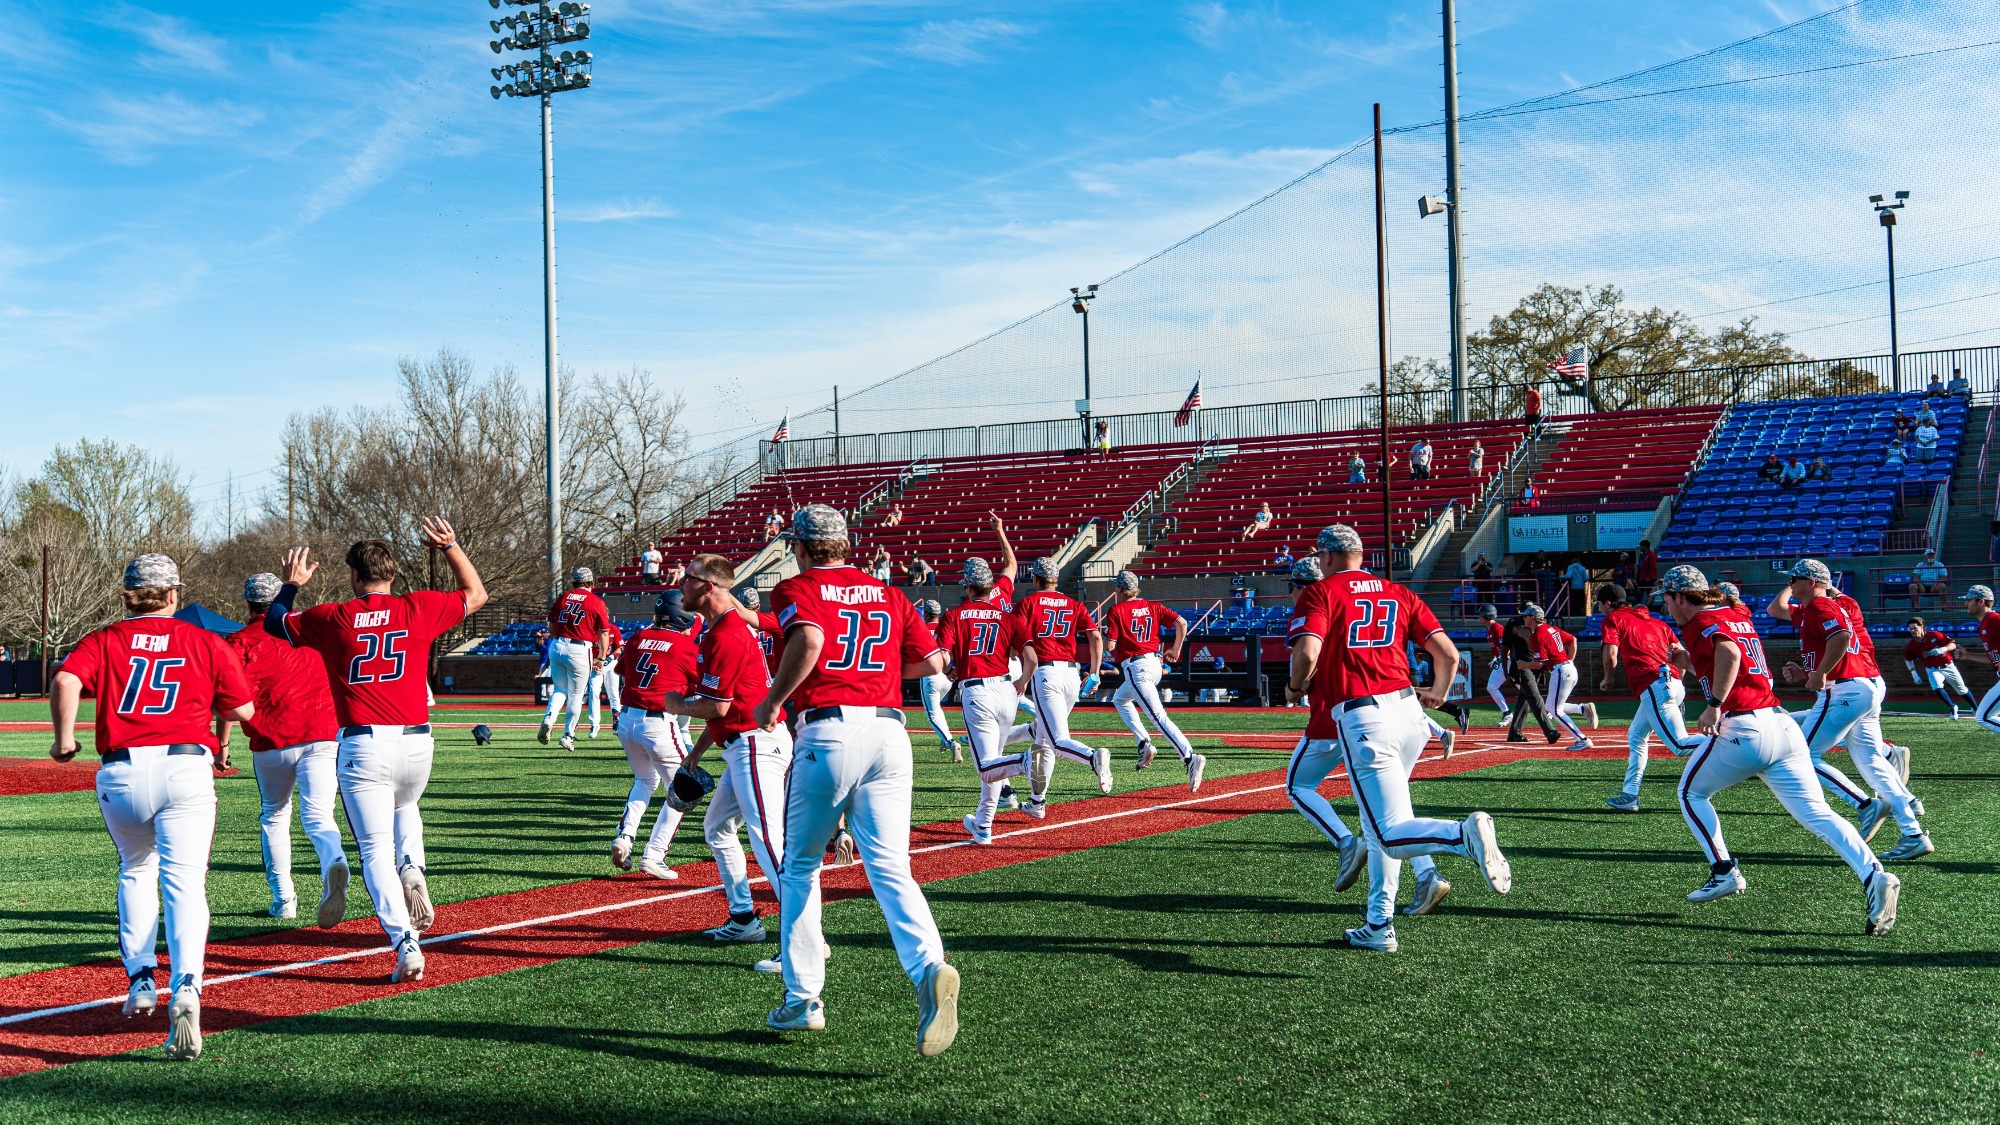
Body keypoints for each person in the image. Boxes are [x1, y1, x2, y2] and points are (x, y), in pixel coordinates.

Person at [758, 505, 961, 1055]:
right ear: (847, 544)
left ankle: (803, 999)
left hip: (829, 728)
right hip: (890, 731)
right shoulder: (890, 593)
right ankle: (929, 969)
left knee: (799, 866)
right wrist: (886, 673)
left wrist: (773, 700)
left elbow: (811, 643)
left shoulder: (797, 588)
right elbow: (937, 662)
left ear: (799, 546)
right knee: (892, 865)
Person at [50, 553, 255, 1061]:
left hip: (122, 770)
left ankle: (141, 978)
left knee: (135, 870)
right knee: (185, 881)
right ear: (172, 595)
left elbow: (64, 681)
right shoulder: (206, 641)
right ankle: (187, 986)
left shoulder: (105, 639)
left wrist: (64, 741)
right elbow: (242, 710)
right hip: (185, 767)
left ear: (128, 595)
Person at [268, 520, 487, 983]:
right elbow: (476, 593)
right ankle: (413, 866)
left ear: (354, 576)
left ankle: (404, 941)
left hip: (364, 744)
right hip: (416, 742)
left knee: (372, 852)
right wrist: (450, 546)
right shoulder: (418, 606)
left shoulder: (333, 616)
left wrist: (291, 584)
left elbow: (275, 621)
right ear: (392, 572)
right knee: (405, 804)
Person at [1286, 524, 1512, 953]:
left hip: (1363, 716)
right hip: (1410, 711)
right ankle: (1379, 924)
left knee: (1388, 833)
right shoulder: (1398, 591)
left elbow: (1308, 652)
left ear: (1326, 557)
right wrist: (1440, 695)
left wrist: (1295, 687)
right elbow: (1446, 653)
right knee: (1378, 826)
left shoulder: (1322, 590)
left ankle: (1461, 835)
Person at [1658, 563, 1900, 933]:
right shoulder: (1732, 612)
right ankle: (1874, 875)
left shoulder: (1699, 621)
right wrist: (1688, 664)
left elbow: (1730, 655)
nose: (1667, 606)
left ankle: (1724, 870)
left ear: (1678, 596)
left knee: (1691, 793)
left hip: (1745, 726)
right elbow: (1730, 659)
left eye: (1668, 598)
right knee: (1820, 815)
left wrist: (1714, 703)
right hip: (1780, 724)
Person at [660, 554, 797, 971]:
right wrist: (696, 754)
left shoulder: (727, 635)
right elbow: (727, 706)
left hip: (757, 744)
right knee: (717, 828)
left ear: (708, 587)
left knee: (768, 840)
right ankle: (743, 918)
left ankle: (804, 940)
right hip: (745, 742)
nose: (680, 584)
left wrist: (675, 704)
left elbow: (716, 708)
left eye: (688, 578)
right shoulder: (720, 631)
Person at [1770, 560, 1932, 862]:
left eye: (1795, 579)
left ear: (1812, 581)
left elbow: (1841, 639)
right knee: (1871, 762)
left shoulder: (1820, 605)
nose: (1791, 584)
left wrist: (1817, 674)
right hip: (1860, 685)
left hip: (1845, 688)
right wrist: (1810, 672)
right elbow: (1830, 639)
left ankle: (1864, 804)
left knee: (1801, 756)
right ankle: (1913, 833)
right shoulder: (1820, 606)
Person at [220, 572, 348, 926]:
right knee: (319, 815)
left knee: (274, 817)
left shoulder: (239, 641)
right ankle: (333, 857)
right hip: (322, 734)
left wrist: (222, 742)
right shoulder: (309, 629)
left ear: (248, 603)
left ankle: (284, 899)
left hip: (271, 741)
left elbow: (231, 698)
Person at [609, 590, 699, 880]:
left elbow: (622, 670)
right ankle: (655, 854)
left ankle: (625, 835)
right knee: (684, 791)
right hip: (658, 722)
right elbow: (700, 681)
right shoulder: (683, 646)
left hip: (627, 721)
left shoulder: (636, 638)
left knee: (645, 780)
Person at [937, 581, 1033, 843]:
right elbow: (1032, 658)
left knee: (984, 766)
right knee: (994, 761)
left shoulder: (954, 615)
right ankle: (983, 824)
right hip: (1006, 690)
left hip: (977, 690)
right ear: (991, 589)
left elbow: (943, 656)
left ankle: (1024, 762)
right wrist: (1023, 681)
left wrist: (947, 671)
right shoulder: (1007, 616)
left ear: (968, 588)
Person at [1014, 557, 1115, 804]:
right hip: (1071, 674)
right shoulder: (1073, 604)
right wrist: (1094, 672)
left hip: (1045, 673)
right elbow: (1096, 638)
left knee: (1057, 741)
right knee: (1044, 741)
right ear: (1056, 579)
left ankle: (1092, 757)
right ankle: (1037, 801)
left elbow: (1014, 637)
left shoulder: (1028, 602)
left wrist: (1022, 677)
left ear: (1035, 579)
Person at [1596, 584, 1701, 811]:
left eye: (1599, 604)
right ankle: (1630, 795)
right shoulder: (1657, 622)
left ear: (1607, 603)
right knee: (1636, 736)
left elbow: (1610, 652)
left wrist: (1608, 678)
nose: (1599, 608)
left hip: (1655, 684)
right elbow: (1679, 652)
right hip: (1669, 682)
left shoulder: (1613, 619)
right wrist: (1677, 684)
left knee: (1679, 745)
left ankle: (1735, 741)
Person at [1103, 570, 1203, 790]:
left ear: (1120, 589)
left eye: (1116, 587)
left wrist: (1104, 635)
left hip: (1136, 667)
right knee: (1120, 699)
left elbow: (1110, 646)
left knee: (1158, 717)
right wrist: (1176, 648)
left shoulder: (1116, 610)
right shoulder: (1152, 606)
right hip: (1154, 664)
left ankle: (1189, 757)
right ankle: (1144, 743)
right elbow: (1182, 623)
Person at [539, 567, 612, 751]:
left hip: (557, 645)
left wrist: (558, 639)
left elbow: (551, 625)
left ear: (574, 582)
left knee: (560, 689)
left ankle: (549, 717)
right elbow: (604, 634)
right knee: (576, 695)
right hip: (580, 648)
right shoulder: (595, 601)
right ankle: (567, 735)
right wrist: (601, 657)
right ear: (591, 584)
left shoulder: (564, 597)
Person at [1524, 605, 1594, 749]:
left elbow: (1539, 664)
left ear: (1532, 618)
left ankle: (1582, 739)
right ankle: (1582, 709)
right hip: (1568, 668)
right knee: (1551, 706)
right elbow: (1573, 640)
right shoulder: (1552, 628)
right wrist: (1570, 661)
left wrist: (1523, 665)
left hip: (1561, 670)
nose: (1523, 618)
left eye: (1525, 616)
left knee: (1555, 710)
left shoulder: (1536, 635)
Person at [914, 600, 964, 761]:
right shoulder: (946, 628)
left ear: (926, 614)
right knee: (937, 710)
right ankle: (944, 738)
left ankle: (951, 742)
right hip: (947, 676)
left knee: (933, 714)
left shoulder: (920, 629)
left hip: (930, 676)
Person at [1504, 605, 1561, 745]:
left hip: (1537, 666)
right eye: (1524, 614)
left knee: (1524, 700)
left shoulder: (1541, 628)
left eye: (1527, 615)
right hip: (1523, 667)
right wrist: (1506, 672)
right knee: (1535, 698)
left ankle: (1515, 733)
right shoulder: (1513, 625)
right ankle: (1550, 731)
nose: (1524, 617)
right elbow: (1504, 650)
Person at [1904, 615, 1977, 718]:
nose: (1912, 630)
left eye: (1915, 628)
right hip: (1932, 669)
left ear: (1922, 627)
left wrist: (1943, 649)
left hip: (1948, 666)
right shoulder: (1911, 645)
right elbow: (1908, 659)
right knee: (1936, 686)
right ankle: (1952, 707)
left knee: (1961, 689)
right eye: (1910, 629)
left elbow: (1953, 644)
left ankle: (1975, 708)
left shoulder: (1934, 635)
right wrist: (1914, 674)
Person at [1964, 586, 2000, 732]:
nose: (1966, 603)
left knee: (1983, 717)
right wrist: (1967, 656)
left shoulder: (1994, 619)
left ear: (1981, 602)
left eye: (1969, 600)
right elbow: (1993, 658)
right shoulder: (1984, 624)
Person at [587, 619, 625, 739]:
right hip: (596, 664)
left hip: (611, 663)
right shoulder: (590, 629)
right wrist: (592, 662)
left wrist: (609, 659)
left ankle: (617, 720)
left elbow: (620, 648)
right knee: (594, 692)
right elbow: (586, 649)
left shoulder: (613, 628)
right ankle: (594, 724)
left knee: (613, 692)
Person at [1478, 603, 1512, 724]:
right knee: (1492, 687)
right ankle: (1507, 713)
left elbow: (1507, 648)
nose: (1479, 617)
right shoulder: (1489, 630)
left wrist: (1498, 659)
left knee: (1526, 689)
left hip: (1509, 662)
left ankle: (1547, 709)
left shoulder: (1498, 628)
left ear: (1488, 615)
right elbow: (1498, 649)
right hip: (1502, 661)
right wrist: (1495, 658)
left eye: (1481, 614)